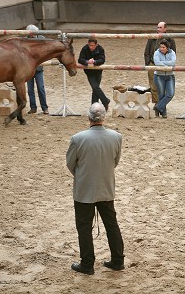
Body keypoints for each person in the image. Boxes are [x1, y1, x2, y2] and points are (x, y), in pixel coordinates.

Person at [66, 102, 125, 275]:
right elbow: (115, 161)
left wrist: (84, 175)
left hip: (84, 190)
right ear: (104, 118)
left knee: (84, 228)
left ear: (88, 118)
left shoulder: (77, 138)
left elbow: (70, 164)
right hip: (106, 187)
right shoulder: (116, 137)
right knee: (111, 224)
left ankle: (87, 264)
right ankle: (118, 259)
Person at [144, 22, 176, 106]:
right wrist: (148, 64)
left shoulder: (170, 40)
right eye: (157, 27)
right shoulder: (152, 38)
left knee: (163, 86)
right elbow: (146, 51)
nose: (158, 29)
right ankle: (156, 103)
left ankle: (161, 105)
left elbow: (173, 53)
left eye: (160, 27)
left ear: (165, 29)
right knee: (153, 86)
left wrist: (168, 65)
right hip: (153, 64)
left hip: (165, 66)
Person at [78, 38, 110, 111]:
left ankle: (94, 106)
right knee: (95, 87)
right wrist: (87, 61)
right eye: (90, 45)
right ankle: (105, 100)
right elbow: (80, 59)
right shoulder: (85, 48)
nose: (91, 47)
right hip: (89, 71)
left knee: (95, 89)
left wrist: (94, 62)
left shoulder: (100, 49)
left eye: (92, 46)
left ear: (96, 45)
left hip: (98, 71)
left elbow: (102, 60)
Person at [26, 24, 49, 114]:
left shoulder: (41, 38)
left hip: (38, 68)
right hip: (29, 68)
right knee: (30, 90)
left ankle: (44, 107)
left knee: (41, 88)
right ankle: (33, 107)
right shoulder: (26, 39)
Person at [153, 39, 176, 118]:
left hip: (170, 76)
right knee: (161, 94)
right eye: (160, 47)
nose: (161, 49)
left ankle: (158, 106)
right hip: (159, 75)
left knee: (170, 94)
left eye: (163, 47)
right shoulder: (156, 52)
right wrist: (167, 66)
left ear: (167, 48)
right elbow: (157, 62)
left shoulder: (172, 53)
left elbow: (173, 62)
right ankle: (163, 112)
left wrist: (163, 64)